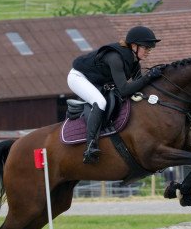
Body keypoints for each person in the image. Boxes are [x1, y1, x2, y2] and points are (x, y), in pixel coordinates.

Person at [68, 26, 162, 164]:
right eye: (146, 47)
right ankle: (90, 146)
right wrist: (148, 77)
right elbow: (124, 89)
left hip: (94, 80)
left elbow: (138, 86)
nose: (148, 51)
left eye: (149, 48)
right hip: (78, 77)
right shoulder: (115, 57)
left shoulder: (134, 61)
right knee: (100, 102)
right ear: (134, 46)